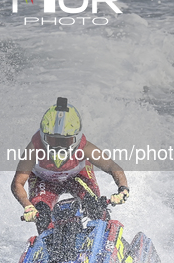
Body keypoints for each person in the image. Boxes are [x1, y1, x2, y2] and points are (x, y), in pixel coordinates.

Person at [10, 97, 129, 232]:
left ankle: (105, 235)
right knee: (42, 215)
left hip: (77, 177)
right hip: (44, 181)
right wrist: (28, 206)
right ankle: (48, 239)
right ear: (43, 136)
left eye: (64, 141)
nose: (58, 147)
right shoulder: (33, 148)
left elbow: (113, 167)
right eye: (53, 140)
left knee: (95, 207)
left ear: (76, 138)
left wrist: (123, 189)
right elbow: (17, 183)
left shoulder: (85, 148)